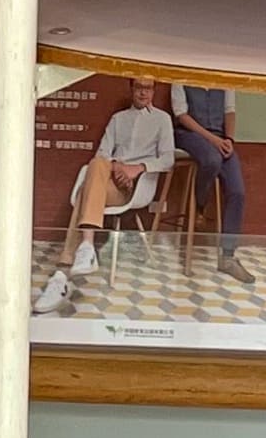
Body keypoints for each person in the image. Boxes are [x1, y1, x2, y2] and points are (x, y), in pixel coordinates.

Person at [37, 76, 181, 313]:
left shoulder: (161, 119)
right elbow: (103, 153)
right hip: (110, 180)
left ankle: (67, 267)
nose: (143, 92)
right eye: (139, 87)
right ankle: (81, 253)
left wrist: (136, 169)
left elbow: (167, 159)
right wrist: (117, 167)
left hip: (135, 186)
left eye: (148, 88)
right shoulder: (118, 119)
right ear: (131, 88)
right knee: (96, 166)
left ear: (153, 91)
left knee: (85, 192)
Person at [172, 83, 252, 280]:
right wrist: (213, 139)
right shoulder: (181, 77)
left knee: (237, 191)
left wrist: (229, 140)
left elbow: (229, 111)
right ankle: (200, 206)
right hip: (189, 135)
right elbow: (181, 115)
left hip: (220, 139)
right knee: (211, 160)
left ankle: (228, 257)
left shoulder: (224, 79)